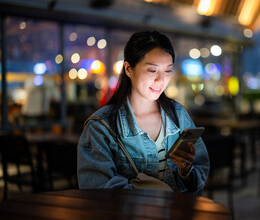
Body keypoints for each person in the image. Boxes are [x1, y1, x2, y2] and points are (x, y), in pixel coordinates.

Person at [77, 30, 210, 195]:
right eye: (152, 71)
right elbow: (98, 192)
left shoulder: (178, 116)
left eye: (167, 71)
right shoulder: (101, 126)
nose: (160, 80)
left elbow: (199, 181)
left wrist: (186, 172)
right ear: (128, 69)